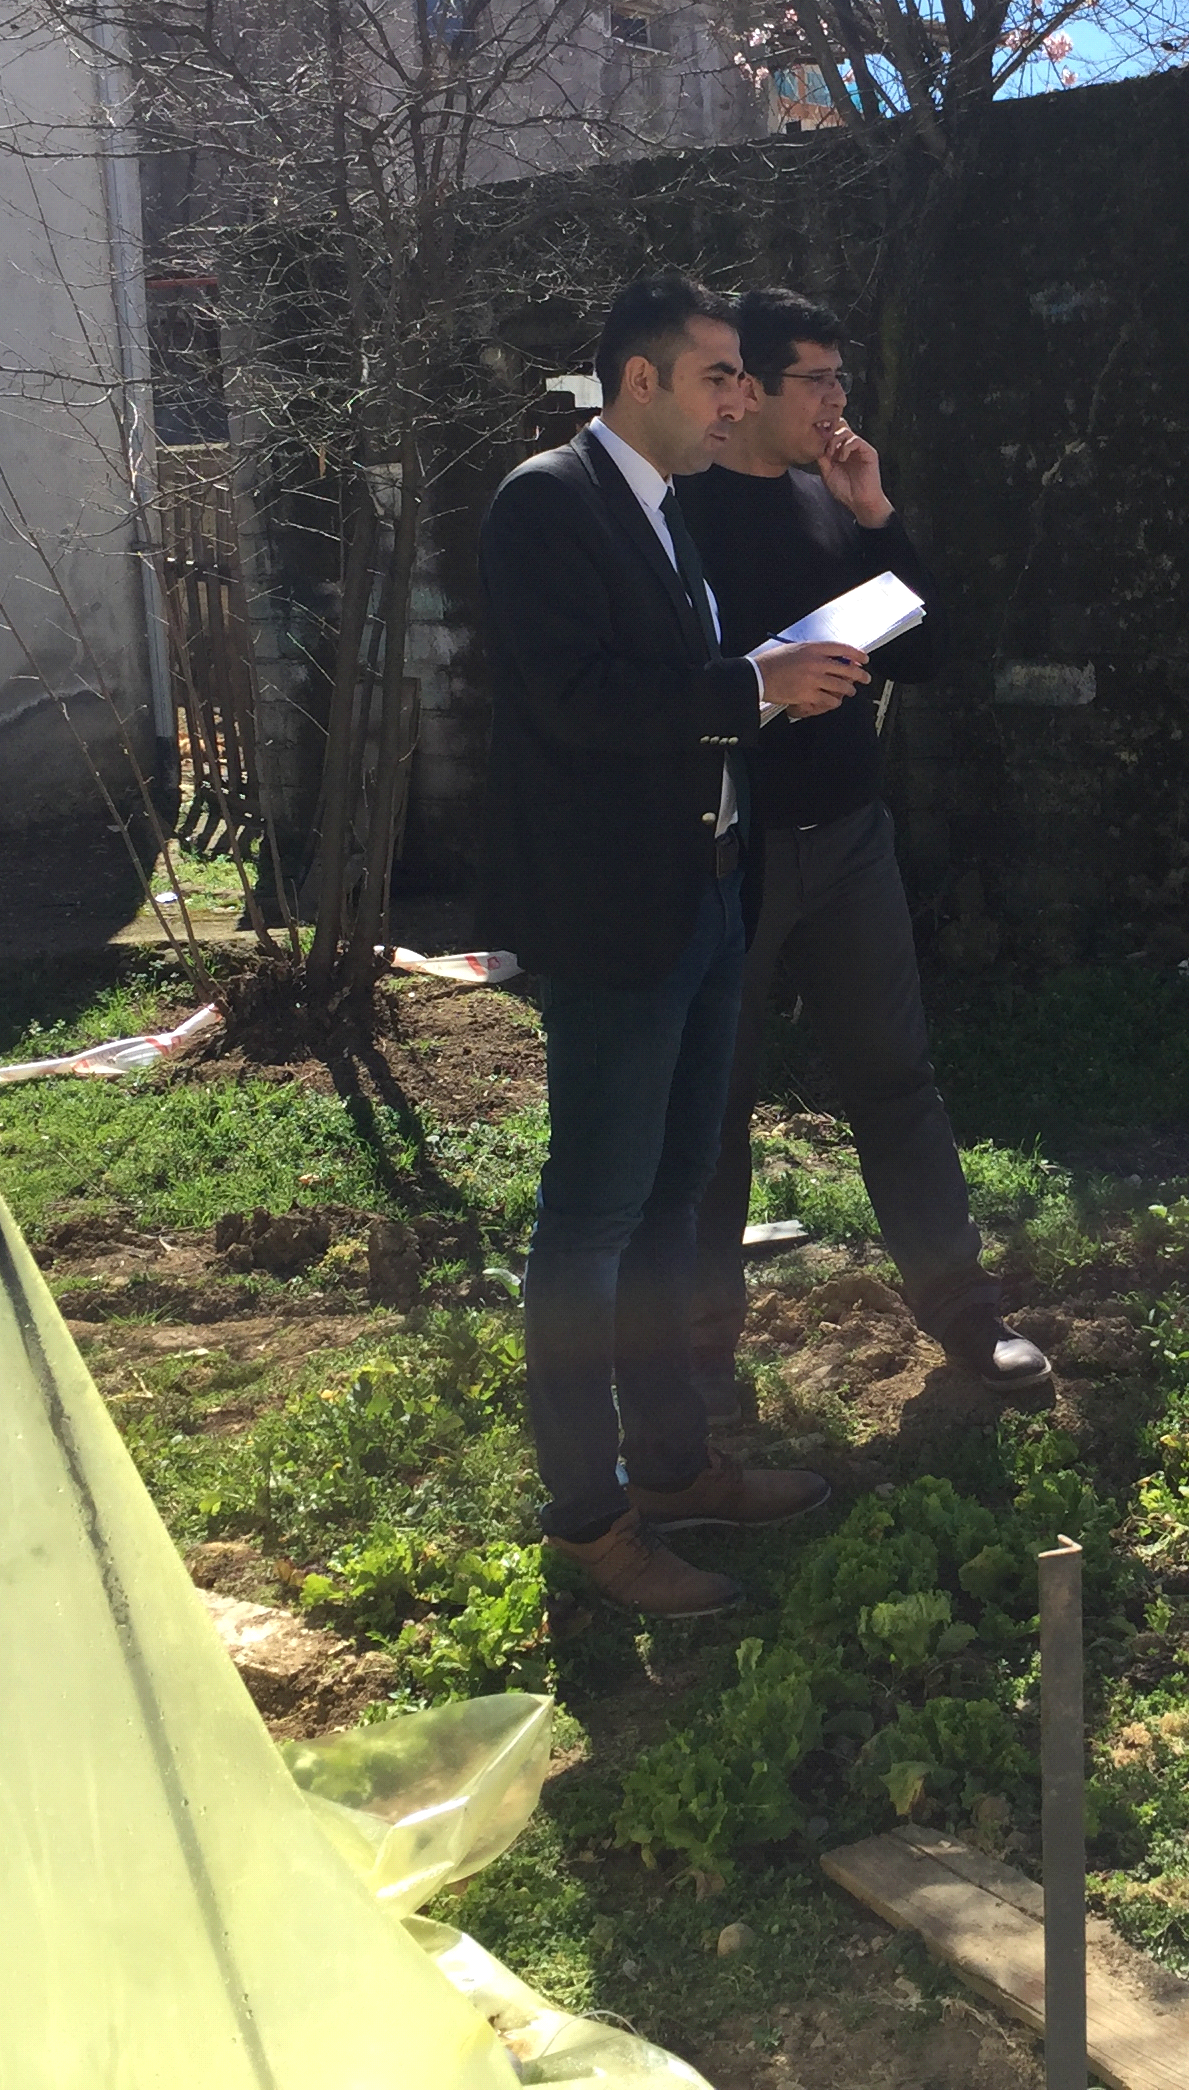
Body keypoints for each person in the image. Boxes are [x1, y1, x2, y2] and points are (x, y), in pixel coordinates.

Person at [473, 270, 871, 1619]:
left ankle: (675, 1465)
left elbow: (674, 697)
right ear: (638, 379)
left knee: (667, 1202)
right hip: (611, 919)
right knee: (589, 1226)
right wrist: (751, 689)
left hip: (702, 900)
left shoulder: (663, 512)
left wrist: (766, 689)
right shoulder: (547, 503)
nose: (741, 400)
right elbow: (575, 701)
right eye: (719, 377)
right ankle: (590, 1523)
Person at [677, 287, 1052, 1404]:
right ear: (744, 391)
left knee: (896, 1081)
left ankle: (968, 1321)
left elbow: (928, 655)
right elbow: (652, 690)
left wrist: (877, 514)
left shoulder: (829, 504)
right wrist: (761, 686)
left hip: (847, 839)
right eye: (818, 381)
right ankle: (700, 1351)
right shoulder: (679, 516)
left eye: (844, 379)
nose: (838, 402)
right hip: (725, 853)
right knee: (714, 1101)